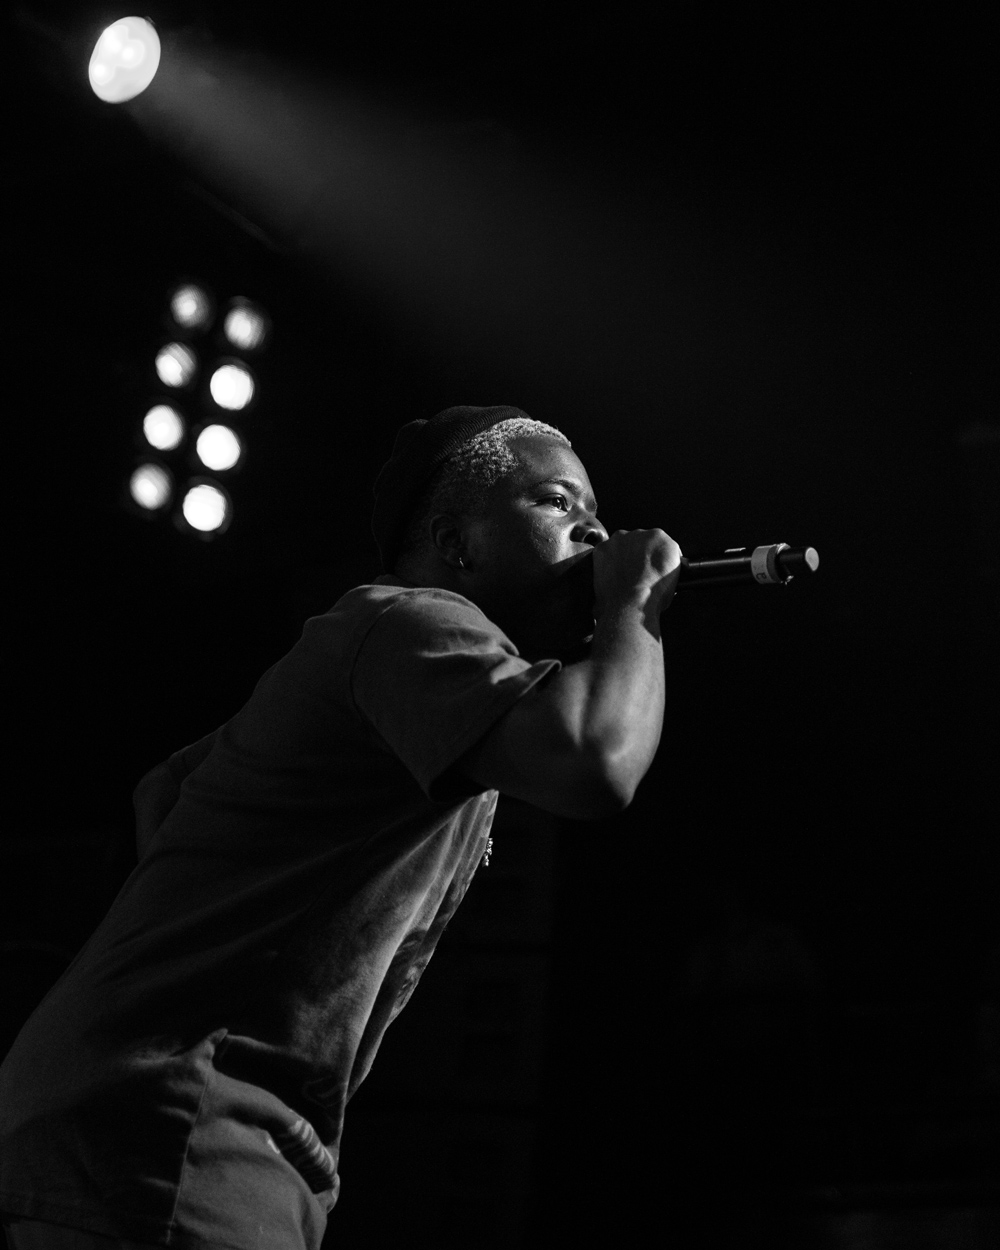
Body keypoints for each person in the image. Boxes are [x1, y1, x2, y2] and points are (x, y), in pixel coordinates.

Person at [0, 404, 681, 1250]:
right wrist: (635, 603)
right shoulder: (411, 623)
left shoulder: (395, 665)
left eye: (597, 516)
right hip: (184, 1119)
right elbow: (594, 760)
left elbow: (165, 788)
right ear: (455, 542)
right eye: (555, 503)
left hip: (146, 1109)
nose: (593, 531)